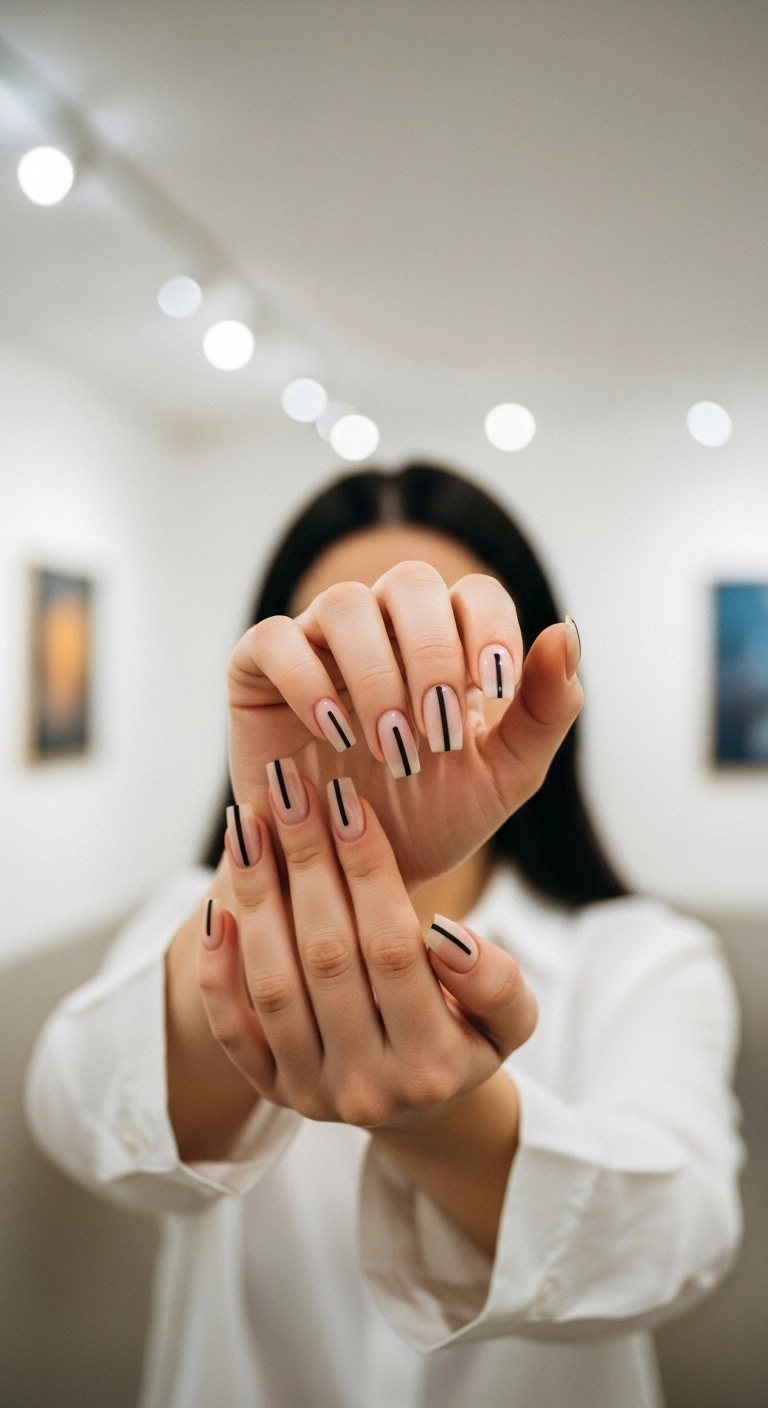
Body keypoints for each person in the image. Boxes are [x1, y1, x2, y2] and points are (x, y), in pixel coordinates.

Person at [27, 463, 742, 1408]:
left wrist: (444, 1120)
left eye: (439, 647)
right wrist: (287, 860)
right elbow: (81, 1118)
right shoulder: (189, 917)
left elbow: (673, 1243)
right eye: (336, 650)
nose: (387, 694)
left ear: (524, 673)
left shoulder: (646, 956)